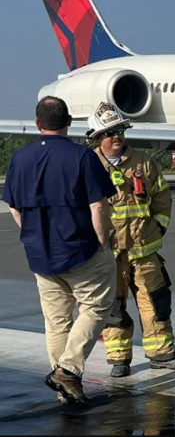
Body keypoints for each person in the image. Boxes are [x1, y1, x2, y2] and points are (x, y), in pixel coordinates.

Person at [2, 96, 119, 406]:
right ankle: (68, 370)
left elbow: (14, 207)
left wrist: (33, 233)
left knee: (57, 322)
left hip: (40, 253)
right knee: (96, 307)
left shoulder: (20, 158)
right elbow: (98, 205)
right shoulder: (82, 157)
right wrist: (104, 241)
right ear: (69, 121)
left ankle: (65, 390)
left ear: (38, 124)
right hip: (80, 250)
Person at [85, 102, 175, 377]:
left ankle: (162, 354)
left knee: (156, 303)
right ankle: (119, 359)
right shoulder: (87, 165)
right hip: (109, 254)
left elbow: (162, 197)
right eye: (109, 132)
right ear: (97, 137)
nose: (116, 136)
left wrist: (157, 227)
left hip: (145, 252)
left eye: (120, 130)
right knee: (113, 307)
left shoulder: (143, 162)